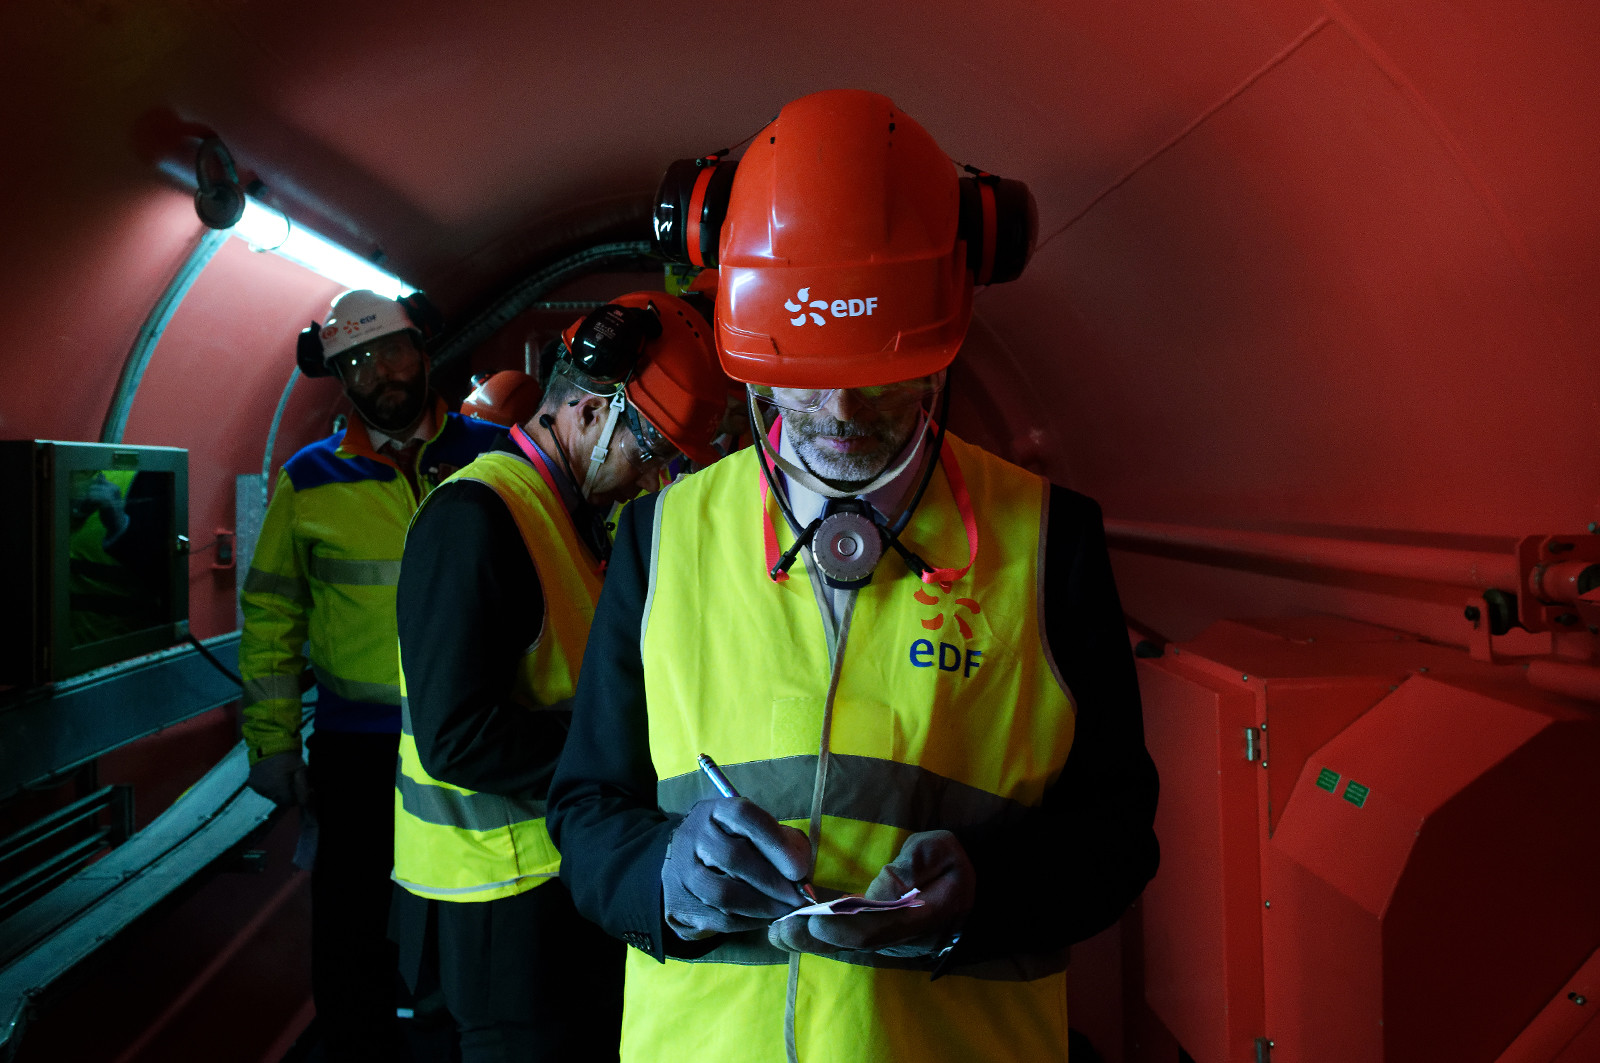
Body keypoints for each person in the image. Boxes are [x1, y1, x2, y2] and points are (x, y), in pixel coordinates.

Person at [547, 90, 1160, 1063]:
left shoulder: (1050, 542)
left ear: (942, 340)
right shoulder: (659, 539)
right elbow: (583, 812)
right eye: (800, 365)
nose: (836, 407)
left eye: (877, 368)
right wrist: (664, 872)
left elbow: (1119, 835)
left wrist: (987, 890)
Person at [391, 290, 730, 1062]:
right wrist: (614, 757)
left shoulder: (562, 515)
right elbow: (456, 737)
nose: (652, 481)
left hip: (549, 882)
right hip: (492, 903)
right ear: (588, 414)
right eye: (649, 452)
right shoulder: (475, 517)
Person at [239, 288, 501, 1061]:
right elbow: (271, 620)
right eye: (356, 360)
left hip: (476, 738)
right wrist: (272, 744)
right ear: (340, 379)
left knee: (476, 918)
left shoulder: (496, 453)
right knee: (352, 932)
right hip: (358, 751)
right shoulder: (306, 479)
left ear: (423, 350)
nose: (378, 371)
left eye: (389, 349)